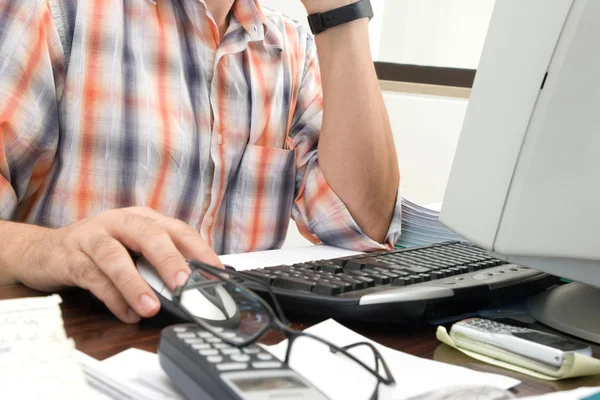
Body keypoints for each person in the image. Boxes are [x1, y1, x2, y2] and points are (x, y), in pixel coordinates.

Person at [0, 0, 401, 323]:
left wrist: (341, 14)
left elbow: (362, 229)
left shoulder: (292, 47)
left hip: (236, 342)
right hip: (80, 347)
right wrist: (45, 248)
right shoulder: (51, 11)